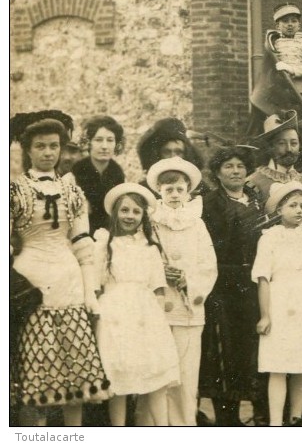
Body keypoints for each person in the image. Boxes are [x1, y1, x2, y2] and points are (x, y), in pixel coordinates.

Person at [10, 113, 110, 425]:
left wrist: (90, 292)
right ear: (28, 150)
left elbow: (82, 243)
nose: (48, 152)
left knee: (77, 378)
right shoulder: (14, 191)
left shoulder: (72, 192)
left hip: (68, 282)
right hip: (31, 285)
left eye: (54, 146)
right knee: (37, 374)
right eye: (40, 146)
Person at [94, 183, 180, 426]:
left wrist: (158, 314)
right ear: (115, 213)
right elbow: (96, 282)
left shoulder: (150, 248)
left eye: (135, 212)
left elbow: (158, 285)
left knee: (153, 373)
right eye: (124, 210)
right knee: (118, 377)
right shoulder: (104, 244)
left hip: (145, 315)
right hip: (115, 314)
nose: (129, 216)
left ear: (143, 216)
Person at [252, 181, 302, 426]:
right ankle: (276, 423)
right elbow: (263, 278)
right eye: (292, 206)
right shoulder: (269, 239)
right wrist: (265, 315)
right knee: (279, 365)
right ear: (279, 210)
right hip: (281, 305)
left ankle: (296, 417)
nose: (299, 210)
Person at [145, 157, 218, 426]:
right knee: (160, 368)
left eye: (179, 189)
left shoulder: (196, 224)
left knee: (187, 373)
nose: (174, 195)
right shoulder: (152, 222)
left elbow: (208, 264)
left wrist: (189, 281)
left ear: (188, 192)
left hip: (188, 307)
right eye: (168, 190)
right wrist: (160, 273)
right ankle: (157, 425)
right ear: (159, 192)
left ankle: (184, 426)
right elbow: (145, 257)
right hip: (161, 306)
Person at [199, 146, 265, 426]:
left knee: (250, 349)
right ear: (217, 172)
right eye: (228, 166)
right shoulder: (208, 203)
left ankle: (262, 413)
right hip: (223, 285)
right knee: (224, 349)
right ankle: (228, 418)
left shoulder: (257, 200)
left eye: (240, 165)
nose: (236, 171)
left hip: (253, 282)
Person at [65, 115, 126, 235]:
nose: (104, 146)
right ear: (89, 143)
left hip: (109, 233)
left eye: (110, 140)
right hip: (80, 232)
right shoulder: (77, 171)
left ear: (116, 144)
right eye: (98, 140)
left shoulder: (117, 172)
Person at [247, 110, 302, 205]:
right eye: (281, 143)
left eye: (294, 143)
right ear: (269, 147)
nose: (289, 149)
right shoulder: (254, 182)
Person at [136, 118, 206, 192]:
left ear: (186, 154)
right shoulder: (144, 189)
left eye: (178, 152)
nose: (173, 157)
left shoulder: (199, 187)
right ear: (159, 154)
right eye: (167, 152)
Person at [271, 3, 302, 105]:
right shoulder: (273, 44)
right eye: (285, 21)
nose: (290, 24)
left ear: (299, 26)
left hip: (299, 90)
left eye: (294, 21)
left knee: (301, 118)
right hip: (279, 91)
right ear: (277, 26)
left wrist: (292, 69)